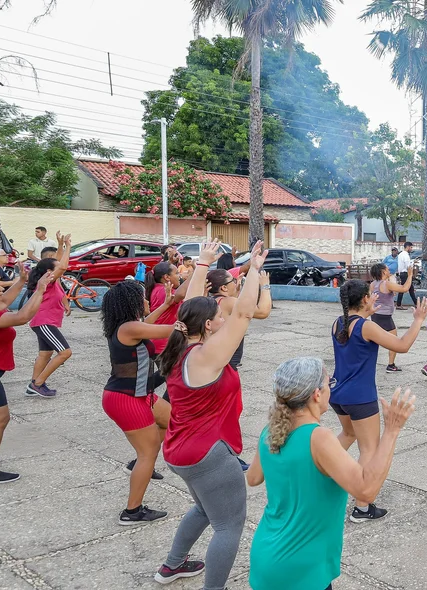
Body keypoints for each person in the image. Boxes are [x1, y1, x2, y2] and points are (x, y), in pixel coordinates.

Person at [247, 358, 415, 590]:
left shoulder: (271, 430)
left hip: (266, 558)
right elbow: (367, 489)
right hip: (301, 571)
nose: (330, 390)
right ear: (316, 394)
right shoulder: (319, 437)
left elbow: (253, 477)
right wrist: (392, 430)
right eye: (328, 384)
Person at [151, 240, 262, 587]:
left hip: (179, 450)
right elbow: (244, 313)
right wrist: (254, 271)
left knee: (204, 509)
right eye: (218, 316)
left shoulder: (179, 343)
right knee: (229, 525)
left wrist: (202, 264)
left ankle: (172, 565)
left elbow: (188, 307)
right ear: (211, 326)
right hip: (206, 455)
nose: (223, 316)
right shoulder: (207, 357)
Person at [329, 279, 426, 522]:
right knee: (369, 449)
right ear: (363, 300)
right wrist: (417, 320)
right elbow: (402, 346)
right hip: (360, 397)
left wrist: (367, 313)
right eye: (372, 295)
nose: (375, 297)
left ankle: (320, 472)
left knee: (349, 434)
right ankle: (362, 507)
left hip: (337, 394)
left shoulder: (338, 322)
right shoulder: (365, 327)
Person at [99, 279, 185, 524]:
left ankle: (138, 462)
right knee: (149, 453)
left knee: (175, 419)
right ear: (132, 303)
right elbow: (173, 330)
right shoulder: (129, 329)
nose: (148, 301)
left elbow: (147, 323)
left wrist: (168, 303)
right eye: (143, 298)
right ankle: (132, 511)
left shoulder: (126, 327)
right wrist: (195, 315)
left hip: (141, 395)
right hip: (125, 400)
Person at [0, 266, 53, 484]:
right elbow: (22, 316)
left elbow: (4, 301)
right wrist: (40, 290)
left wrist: (22, 281)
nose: (0, 289)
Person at [25, 232, 72, 399]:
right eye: (56, 267)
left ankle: (34, 384)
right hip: (44, 322)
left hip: (44, 322)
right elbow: (62, 266)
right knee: (65, 352)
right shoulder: (48, 279)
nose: (59, 267)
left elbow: (57, 262)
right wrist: (68, 247)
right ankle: (37, 384)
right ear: (49, 271)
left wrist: (60, 246)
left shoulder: (52, 278)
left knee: (45, 354)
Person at [207, 268, 272, 371]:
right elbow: (262, 312)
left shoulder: (211, 301)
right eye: (233, 280)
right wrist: (265, 285)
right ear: (224, 287)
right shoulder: (228, 302)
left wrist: (236, 291)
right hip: (228, 360)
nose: (236, 281)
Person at [368, 263, 413, 372]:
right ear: (383, 272)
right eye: (387, 269)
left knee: (374, 340)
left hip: (375, 315)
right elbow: (404, 288)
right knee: (395, 341)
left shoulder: (373, 284)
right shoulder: (386, 284)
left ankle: (369, 363)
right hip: (385, 317)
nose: (389, 270)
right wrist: (410, 275)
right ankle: (391, 365)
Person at [396, 242, 416, 309]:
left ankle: (416, 303)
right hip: (405, 274)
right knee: (403, 289)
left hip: (402, 273)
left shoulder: (400, 254)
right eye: (411, 247)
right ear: (407, 247)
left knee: (410, 289)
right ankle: (398, 305)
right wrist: (411, 275)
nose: (411, 249)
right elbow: (408, 266)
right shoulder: (406, 255)